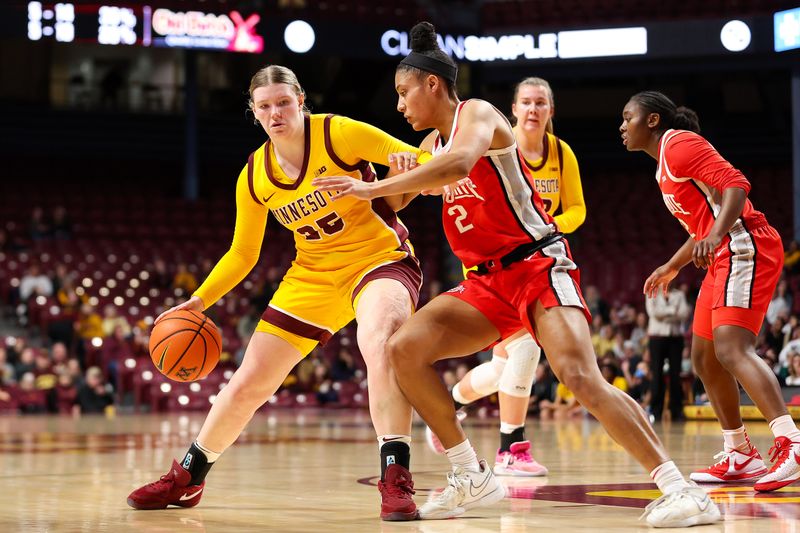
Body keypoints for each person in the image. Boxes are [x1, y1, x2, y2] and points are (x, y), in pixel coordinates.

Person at [314, 22, 720, 527]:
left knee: (579, 376)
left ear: (432, 84)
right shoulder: (430, 148)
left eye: (403, 92)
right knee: (403, 348)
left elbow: (460, 164)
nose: (399, 106)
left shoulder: (479, 114)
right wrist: (391, 180)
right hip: (485, 284)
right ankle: (473, 475)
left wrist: (369, 190)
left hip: (537, 265)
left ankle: (680, 490)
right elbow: (399, 201)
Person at [127, 65, 431, 521]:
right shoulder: (253, 176)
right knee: (249, 381)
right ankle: (189, 478)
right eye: (265, 106)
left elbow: (421, 158)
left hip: (378, 260)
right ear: (253, 111)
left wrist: (408, 167)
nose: (275, 113)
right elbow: (242, 253)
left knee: (380, 344)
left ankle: (394, 476)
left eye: (283, 102)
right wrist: (199, 301)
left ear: (301, 100)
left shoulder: (339, 133)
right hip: (311, 275)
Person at [621, 91, 799, 491]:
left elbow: (737, 184)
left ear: (652, 120)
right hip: (721, 254)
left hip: (744, 243)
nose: (621, 125)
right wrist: (672, 265)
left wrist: (716, 234)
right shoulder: (662, 168)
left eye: (627, 116)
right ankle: (739, 452)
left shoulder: (680, 143)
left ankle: (793, 443)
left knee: (732, 348)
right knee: (703, 356)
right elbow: (700, 229)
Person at [426, 76, 586, 478]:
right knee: (527, 352)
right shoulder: (486, 137)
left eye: (541, 103)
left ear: (551, 111)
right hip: (492, 265)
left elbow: (578, 209)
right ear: (512, 109)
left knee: (503, 370)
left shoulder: (561, 153)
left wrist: (544, 227)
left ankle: (449, 405)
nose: (533, 110)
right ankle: (510, 448)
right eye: (526, 102)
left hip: (534, 257)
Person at [646, 287, 690, 422]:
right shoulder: (651, 293)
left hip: (675, 338)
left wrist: (664, 314)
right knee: (657, 374)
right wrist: (672, 311)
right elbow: (653, 313)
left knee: (675, 374)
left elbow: (684, 313)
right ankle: (656, 411)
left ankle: (676, 410)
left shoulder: (680, 294)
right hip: (657, 338)